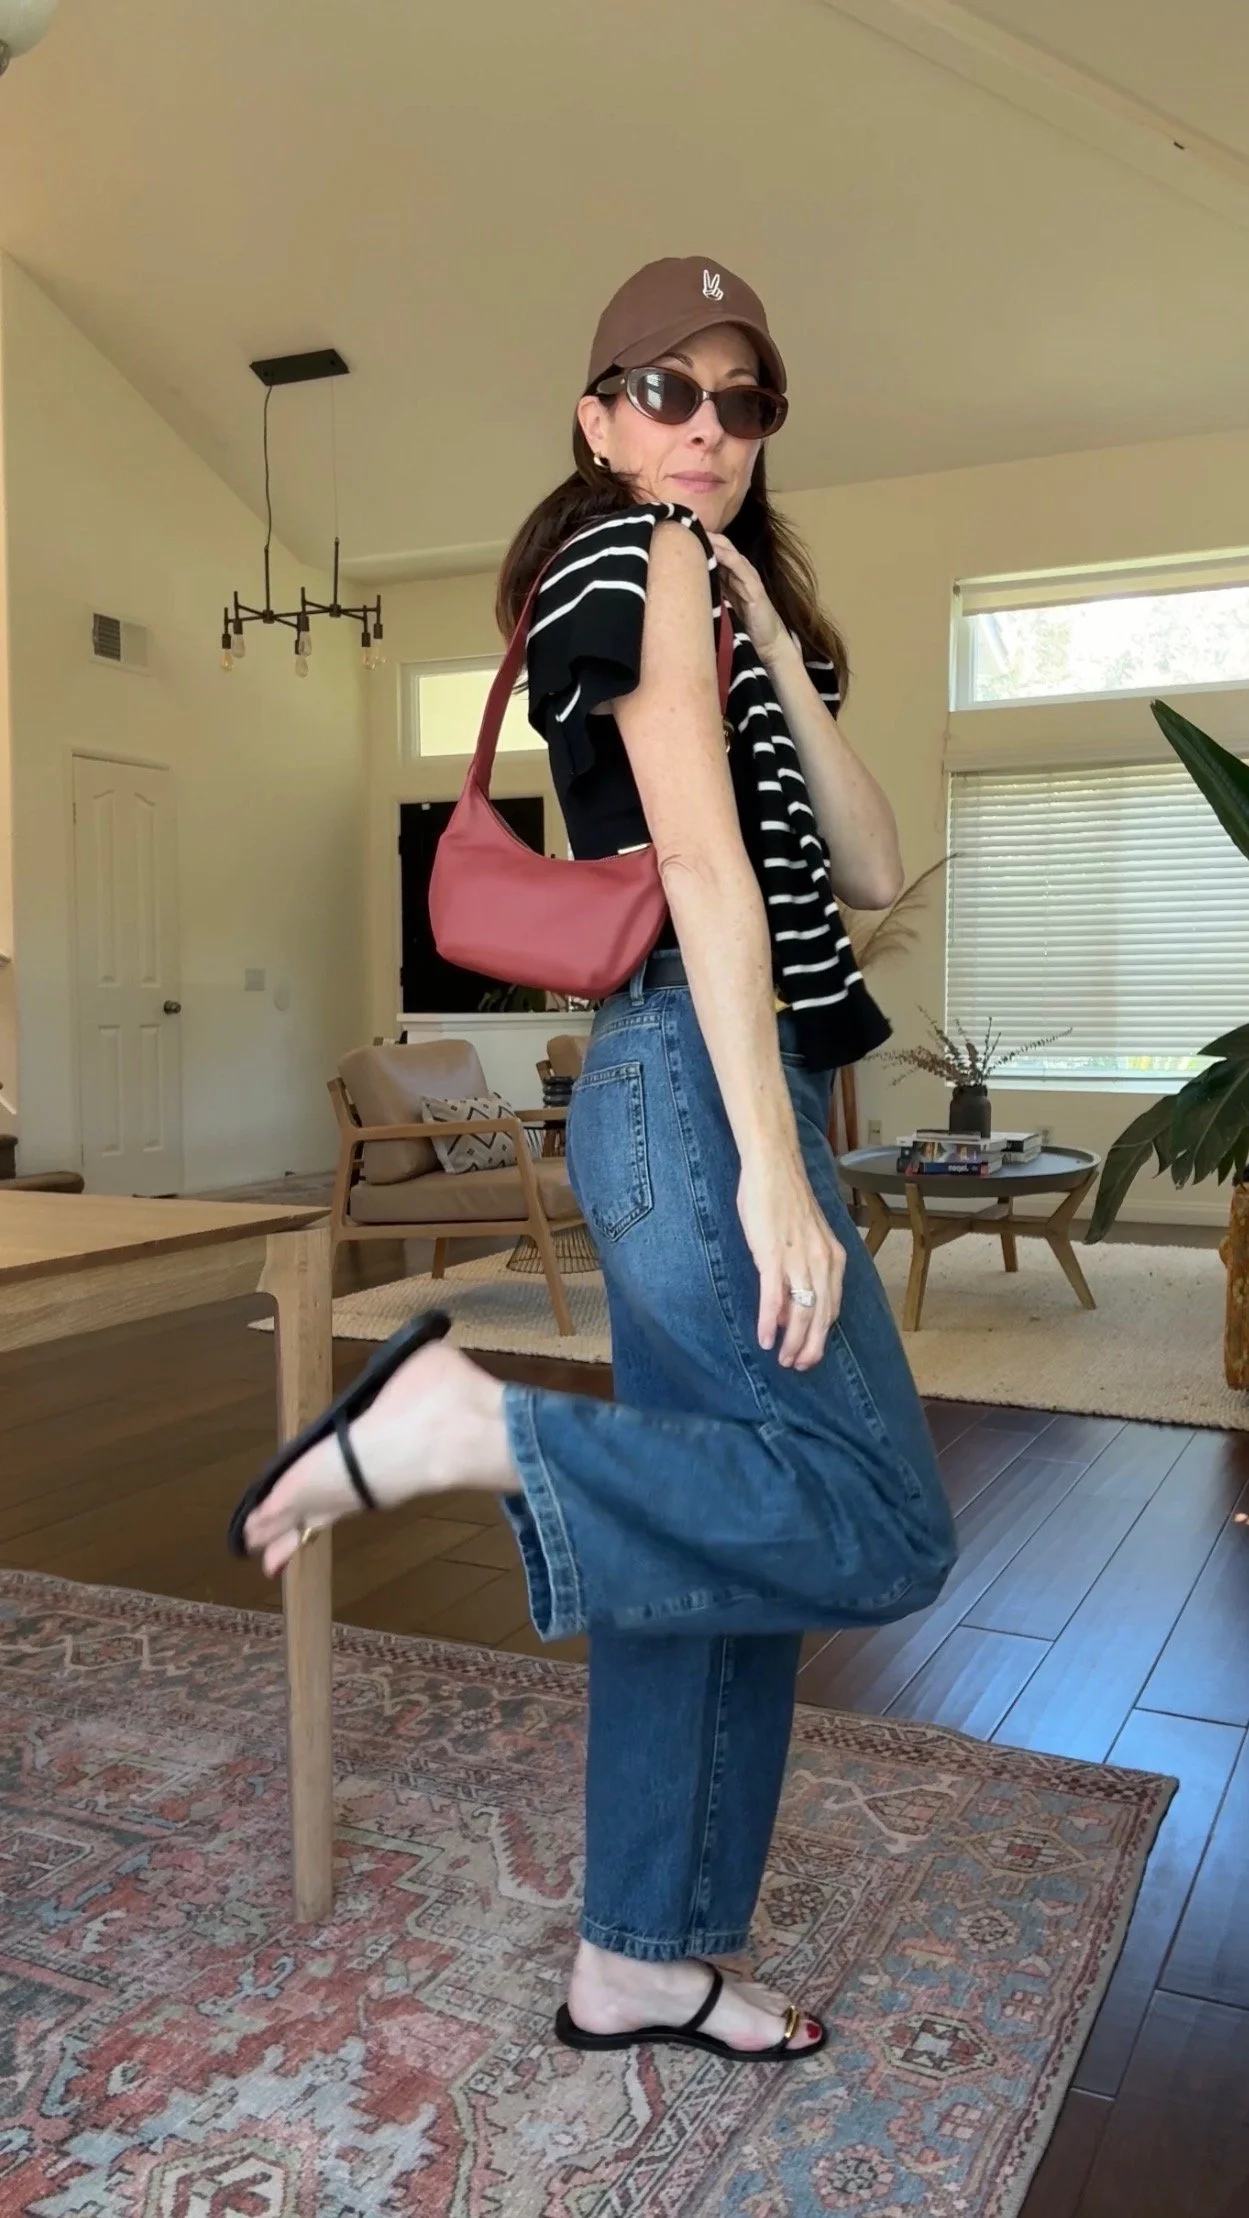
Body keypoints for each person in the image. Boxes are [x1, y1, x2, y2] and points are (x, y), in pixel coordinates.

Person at [238, 256, 957, 2063]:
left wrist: (771, 628)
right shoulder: (627, 557)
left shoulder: (706, 589)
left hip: (697, 1085)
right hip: (697, 1084)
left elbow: (872, 863)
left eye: (741, 401)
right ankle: (467, 1425)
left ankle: (640, 1955)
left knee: (706, 1540)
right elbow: (700, 870)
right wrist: (772, 1167)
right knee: (881, 1521)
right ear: (598, 415)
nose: (707, 427)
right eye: (667, 390)